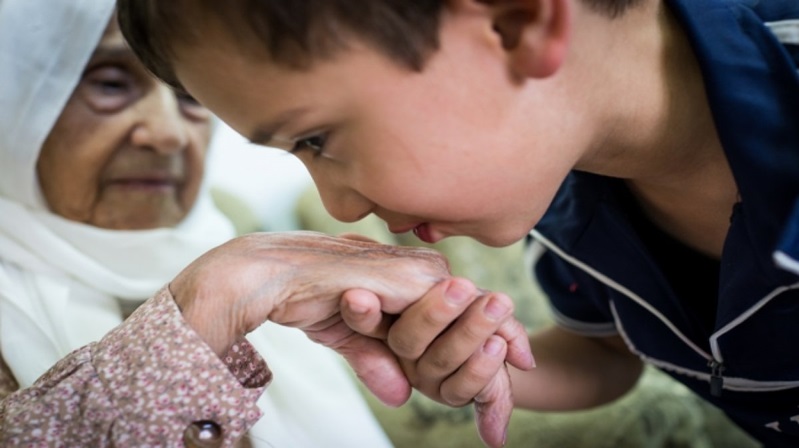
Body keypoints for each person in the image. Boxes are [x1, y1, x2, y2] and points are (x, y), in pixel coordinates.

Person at [117, 0, 799, 446]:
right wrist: (483, 358)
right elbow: (606, 354)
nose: (339, 208)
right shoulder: (567, 185)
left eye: (316, 138)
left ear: (516, 22)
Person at [0, 1, 534, 446]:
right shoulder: (256, 267)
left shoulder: (265, 273)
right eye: (110, 84)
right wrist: (219, 294)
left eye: (189, 100)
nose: (167, 134)